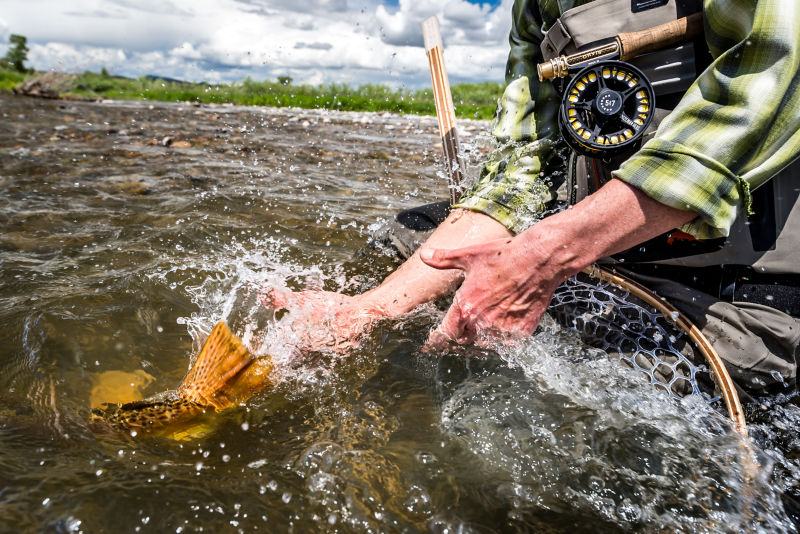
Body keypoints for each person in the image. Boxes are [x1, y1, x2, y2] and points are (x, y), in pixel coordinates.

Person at [267, 0, 800, 395]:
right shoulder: (536, 8)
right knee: (398, 242)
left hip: (738, 293)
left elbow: (777, 70)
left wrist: (545, 254)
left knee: (557, 415)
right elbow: (518, 176)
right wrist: (369, 311)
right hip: (599, 261)